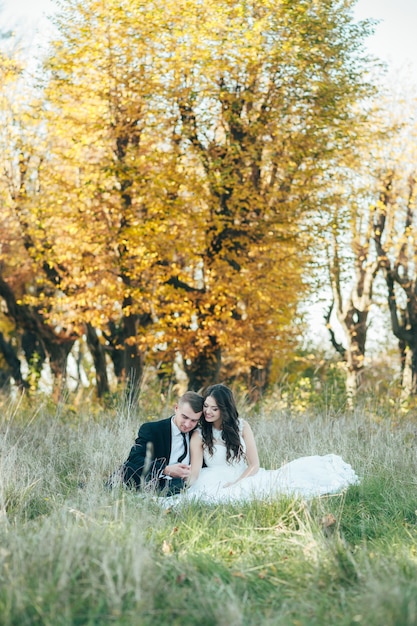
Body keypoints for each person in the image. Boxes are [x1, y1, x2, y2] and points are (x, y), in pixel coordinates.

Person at [181, 384, 359, 503]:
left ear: (224, 409)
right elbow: (195, 472)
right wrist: (181, 484)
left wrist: (237, 483)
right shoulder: (199, 435)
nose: (207, 412)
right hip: (214, 479)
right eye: (206, 406)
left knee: (285, 487)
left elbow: (255, 464)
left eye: (214, 408)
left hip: (245, 476)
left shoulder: (242, 426)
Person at [118, 391, 203, 495]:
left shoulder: (198, 434)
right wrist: (165, 470)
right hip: (154, 481)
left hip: (184, 484)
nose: (188, 424)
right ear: (176, 408)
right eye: (184, 417)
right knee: (126, 469)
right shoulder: (152, 429)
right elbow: (134, 457)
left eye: (194, 420)